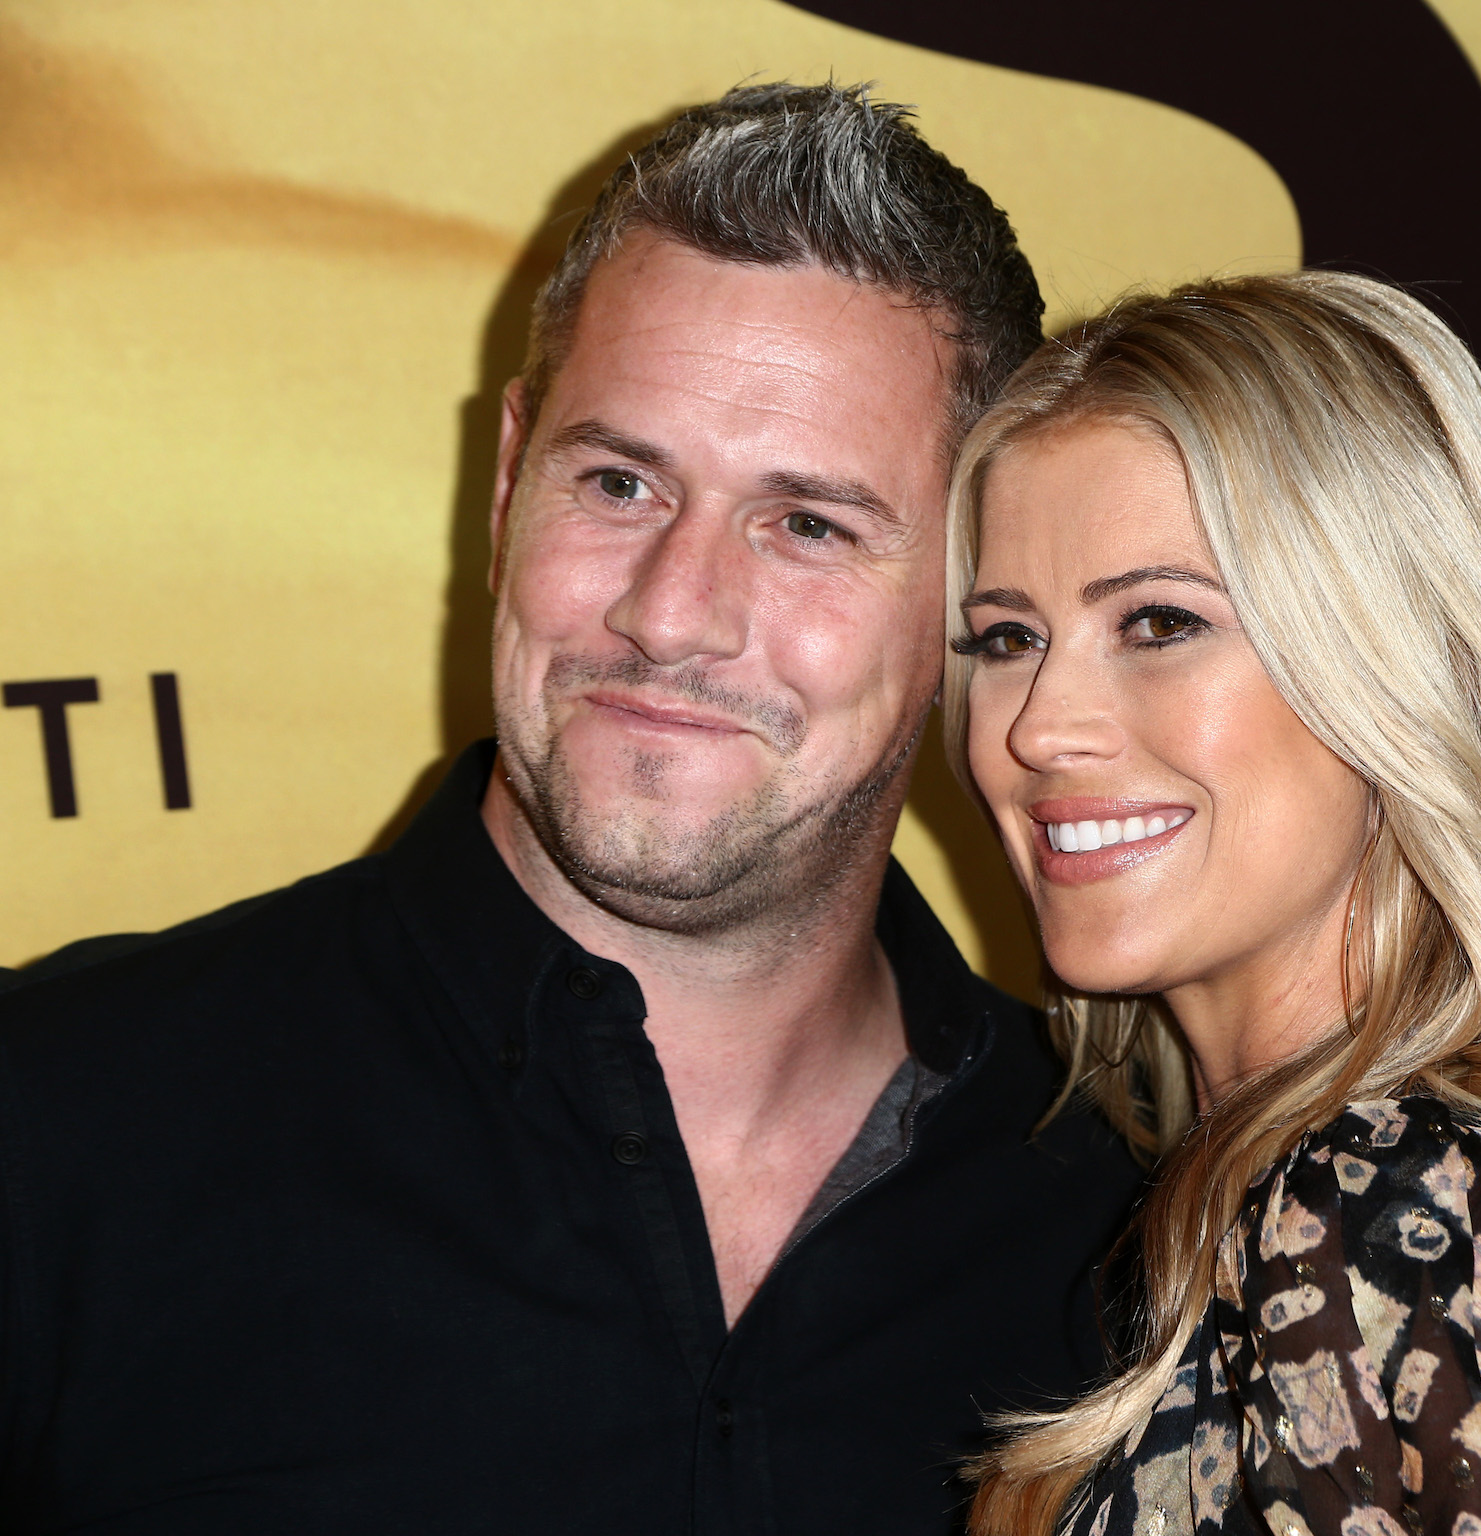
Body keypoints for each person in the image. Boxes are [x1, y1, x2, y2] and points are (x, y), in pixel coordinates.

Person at [0, 83, 1143, 1535]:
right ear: (506, 486)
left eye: (807, 525)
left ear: (971, 597)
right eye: (617, 481)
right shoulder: (56, 1129)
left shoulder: (1139, 1230)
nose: (672, 616)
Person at [944, 272, 1481, 1536]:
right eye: (1004, 639)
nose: (1038, 729)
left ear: (1386, 663)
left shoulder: (1416, 1213)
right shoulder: (1285, 1199)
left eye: (1158, 622)